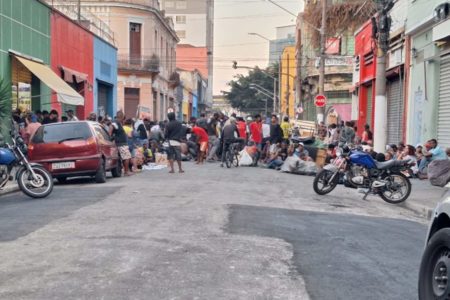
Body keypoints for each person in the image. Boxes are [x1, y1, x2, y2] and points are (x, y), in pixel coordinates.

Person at [109, 111, 132, 176]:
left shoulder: (119, 122)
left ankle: (126, 171)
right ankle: (126, 171)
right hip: (121, 144)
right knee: (126, 157)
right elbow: (111, 126)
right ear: (121, 116)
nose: (124, 119)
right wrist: (110, 135)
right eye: (123, 117)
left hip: (122, 143)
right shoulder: (116, 122)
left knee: (126, 157)